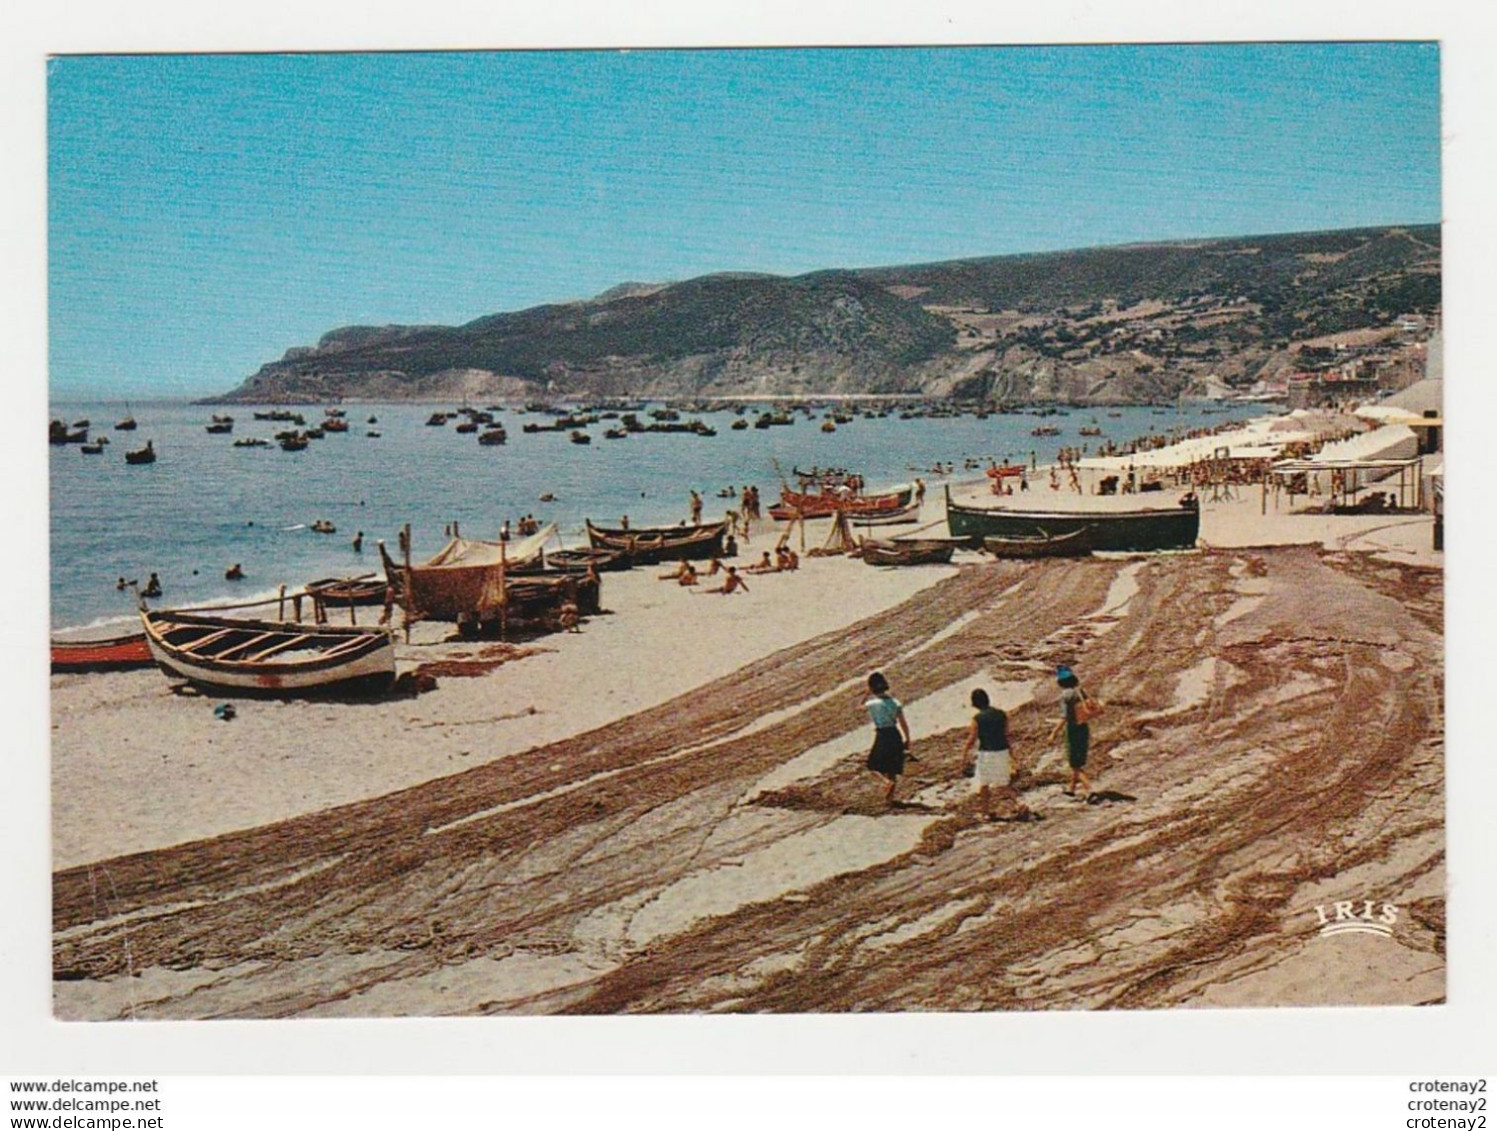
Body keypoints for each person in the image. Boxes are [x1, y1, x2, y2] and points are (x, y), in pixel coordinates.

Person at [960, 688, 1032, 822]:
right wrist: (1012, 754)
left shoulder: (977, 719)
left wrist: (964, 755)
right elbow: (1006, 735)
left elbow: (972, 739)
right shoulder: (1001, 714)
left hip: (987, 753)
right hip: (1002, 751)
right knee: (1004, 783)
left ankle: (985, 813)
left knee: (984, 783)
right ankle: (1019, 804)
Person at [864, 671, 912, 805]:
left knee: (872, 765)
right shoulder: (895, 702)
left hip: (882, 734)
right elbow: (903, 723)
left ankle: (885, 783)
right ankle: (889, 800)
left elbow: (858, 707)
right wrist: (908, 739)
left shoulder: (872, 704)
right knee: (892, 769)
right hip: (895, 733)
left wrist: (866, 693)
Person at [1049, 665, 1094, 799]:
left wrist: (1053, 733)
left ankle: (1090, 790)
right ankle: (1071, 789)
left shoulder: (1065, 695)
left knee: (1075, 764)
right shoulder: (1080, 691)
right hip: (1083, 726)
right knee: (1078, 760)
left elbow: (1065, 717)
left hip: (1073, 729)